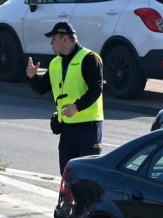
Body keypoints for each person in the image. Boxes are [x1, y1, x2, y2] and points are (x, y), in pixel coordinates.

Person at [26, 22, 104, 173]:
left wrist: (77, 106)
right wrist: (32, 77)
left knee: (88, 174)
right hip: (67, 127)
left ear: (65, 39)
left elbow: (97, 89)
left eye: (54, 38)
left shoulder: (89, 58)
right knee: (67, 174)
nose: (51, 43)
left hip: (89, 127)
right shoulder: (55, 63)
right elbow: (42, 89)